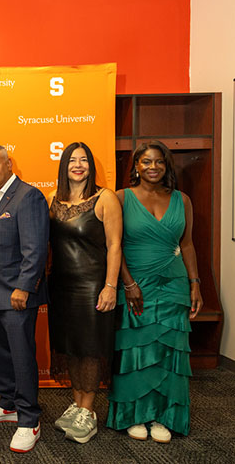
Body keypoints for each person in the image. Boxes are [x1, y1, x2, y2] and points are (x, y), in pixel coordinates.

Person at [107, 140, 202, 443]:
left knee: (170, 350)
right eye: (146, 162)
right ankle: (135, 414)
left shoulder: (182, 200)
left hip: (173, 282)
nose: (153, 167)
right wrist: (128, 283)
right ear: (135, 166)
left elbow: (186, 244)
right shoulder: (120, 198)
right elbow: (114, 246)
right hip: (135, 284)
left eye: (159, 162)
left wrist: (195, 283)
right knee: (136, 349)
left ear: (166, 165)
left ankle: (164, 416)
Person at [47, 142, 122, 443]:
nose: (78, 165)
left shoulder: (106, 198)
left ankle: (88, 412)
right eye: (72, 161)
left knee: (90, 348)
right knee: (71, 347)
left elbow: (115, 245)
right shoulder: (52, 198)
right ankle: (77, 404)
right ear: (64, 166)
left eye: (84, 160)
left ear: (91, 165)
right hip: (60, 286)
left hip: (93, 286)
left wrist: (111, 286)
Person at [0, 144, 48, 453]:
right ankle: (8, 404)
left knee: (21, 357)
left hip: (17, 294)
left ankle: (29, 419)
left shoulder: (28, 195)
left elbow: (36, 248)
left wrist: (24, 286)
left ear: (9, 164)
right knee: (1, 354)